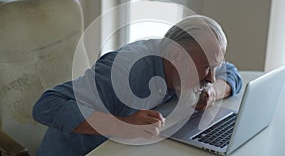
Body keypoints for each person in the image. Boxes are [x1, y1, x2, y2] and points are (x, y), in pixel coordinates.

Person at [32, 15, 242, 156]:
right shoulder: (123, 70)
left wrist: (213, 92)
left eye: (214, 67)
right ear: (177, 56)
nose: (212, 77)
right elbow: (46, 105)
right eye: (206, 68)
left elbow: (232, 73)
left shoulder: (193, 56)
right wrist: (124, 125)